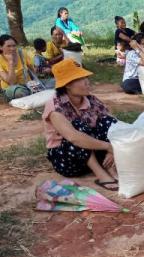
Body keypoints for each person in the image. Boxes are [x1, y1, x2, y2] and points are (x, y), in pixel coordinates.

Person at [42, 59, 118, 190]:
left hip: (94, 151)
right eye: (81, 79)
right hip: (68, 160)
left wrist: (112, 150)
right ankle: (101, 175)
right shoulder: (55, 106)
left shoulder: (91, 99)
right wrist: (108, 146)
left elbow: (113, 123)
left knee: (107, 121)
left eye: (86, 77)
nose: (87, 82)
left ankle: (111, 167)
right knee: (77, 127)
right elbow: (73, 137)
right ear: (68, 85)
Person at [0, 34, 36, 101]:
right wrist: (11, 62)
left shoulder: (21, 53)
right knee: (20, 92)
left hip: (28, 84)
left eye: (14, 46)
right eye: (8, 46)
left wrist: (35, 81)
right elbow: (11, 82)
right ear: (1, 47)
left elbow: (32, 69)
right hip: (12, 88)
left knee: (53, 83)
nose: (12, 49)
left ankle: (32, 93)